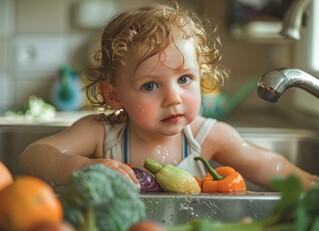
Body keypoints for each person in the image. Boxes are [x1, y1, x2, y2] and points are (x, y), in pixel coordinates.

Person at [19, 2, 318, 191]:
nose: (173, 98)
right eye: (150, 86)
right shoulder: (101, 133)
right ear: (114, 94)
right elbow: (32, 155)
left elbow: (274, 168)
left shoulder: (209, 137)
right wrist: (80, 167)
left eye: (185, 79)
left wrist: (312, 186)